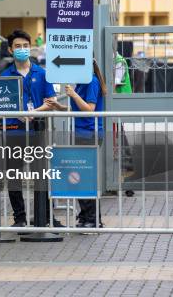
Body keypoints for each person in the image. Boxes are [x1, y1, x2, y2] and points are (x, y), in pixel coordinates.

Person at [0, 30, 58, 228]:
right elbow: (2, 103)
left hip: (37, 130)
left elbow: (51, 101)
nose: (22, 50)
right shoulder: (5, 75)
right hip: (13, 130)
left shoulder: (42, 73)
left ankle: (43, 216)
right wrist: (19, 114)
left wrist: (33, 113)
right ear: (10, 49)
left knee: (40, 175)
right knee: (13, 176)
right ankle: (20, 218)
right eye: (17, 46)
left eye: (25, 46)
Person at [65, 60, 106, 228]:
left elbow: (89, 109)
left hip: (90, 133)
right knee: (79, 175)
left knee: (85, 176)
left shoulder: (91, 81)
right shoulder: (83, 81)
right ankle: (85, 215)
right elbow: (79, 109)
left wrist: (73, 95)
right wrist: (59, 107)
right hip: (82, 132)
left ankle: (93, 219)